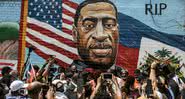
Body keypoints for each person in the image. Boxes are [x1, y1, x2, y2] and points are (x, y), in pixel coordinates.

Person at [72, 0, 119, 71]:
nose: (100, 35)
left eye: (109, 25)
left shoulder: (123, 77)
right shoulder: (68, 78)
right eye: (89, 25)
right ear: (75, 34)